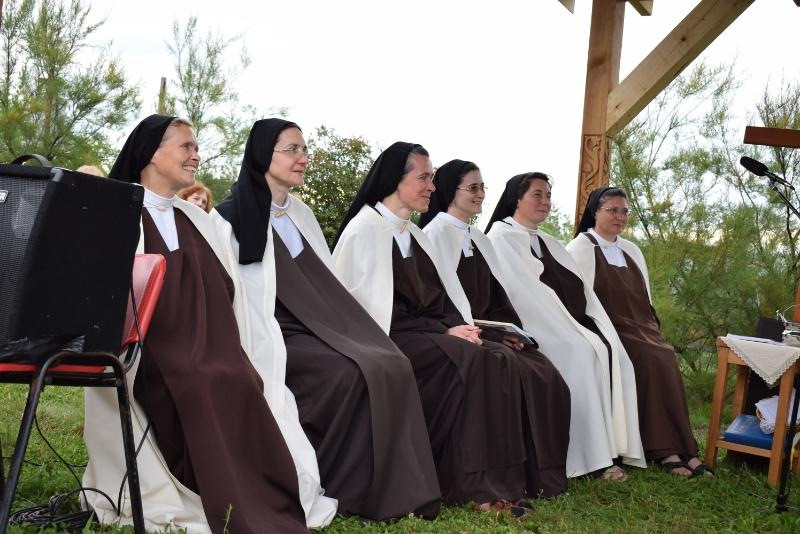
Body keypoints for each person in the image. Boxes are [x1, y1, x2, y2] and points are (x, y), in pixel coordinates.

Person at [82, 114, 308, 534]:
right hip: (148, 352)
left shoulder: (198, 219)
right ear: (151, 153)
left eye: (196, 147)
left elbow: (228, 292)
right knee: (199, 381)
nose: (196, 155)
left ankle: (256, 499)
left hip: (209, 345)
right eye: (186, 146)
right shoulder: (116, 211)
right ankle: (215, 495)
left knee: (240, 377)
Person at [213, 119, 440, 521]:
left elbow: (329, 287)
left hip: (321, 327)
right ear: (263, 154)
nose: (303, 158)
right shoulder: (229, 218)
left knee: (391, 360)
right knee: (347, 372)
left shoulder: (300, 214)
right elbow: (233, 300)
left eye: (305, 150)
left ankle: (398, 490)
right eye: (292, 150)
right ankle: (345, 487)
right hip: (271, 332)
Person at [333, 143, 552, 516]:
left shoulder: (413, 234)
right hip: (388, 337)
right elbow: (372, 311)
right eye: (423, 177)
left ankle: (502, 483)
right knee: (472, 361)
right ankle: (471, 487)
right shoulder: (364, 231)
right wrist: (445, 333)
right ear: (395, 179)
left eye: (432, 178)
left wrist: (459, 327)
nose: (432, 187)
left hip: (428, 332)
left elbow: (444, 299)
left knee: (496, 357)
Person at [418, 159, 571, 497]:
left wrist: (509, 331)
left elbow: (498, 299)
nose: (481, 194)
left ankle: (541, 476)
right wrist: (488, 334)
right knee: (506, 367)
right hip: (463, 330)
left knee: (545, 373)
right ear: (450, 190)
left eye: (482, 187)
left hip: (490, 329)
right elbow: (442, 302)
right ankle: (504, 477)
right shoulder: (435, 234)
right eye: (473, 188)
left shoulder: (478, 237)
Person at [485, 172, 645, 480]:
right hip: (532, 325)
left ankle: (611, 449)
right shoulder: (500, 238)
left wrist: (588, 321)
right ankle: (589, 458)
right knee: (580, 352)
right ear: (516, 198)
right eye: (537, 195)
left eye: (548, 196)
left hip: (565, 321)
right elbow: (521, 294)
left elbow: (577, 288)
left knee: (612, 349)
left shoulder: (548, 241)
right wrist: (565, 326)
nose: (545, 202)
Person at [567, 187, 713, 477]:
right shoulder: (580, 248)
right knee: (651, 358)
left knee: (666, 355)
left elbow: (645, 300)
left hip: (642, 326)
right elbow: (575, 302)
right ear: (595, 212)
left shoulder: (632, 250)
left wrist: (651, 328)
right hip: (607, 327)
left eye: (624, 211)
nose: (619, 217)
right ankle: (664, 450)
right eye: (612, 210)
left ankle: (684, 449)